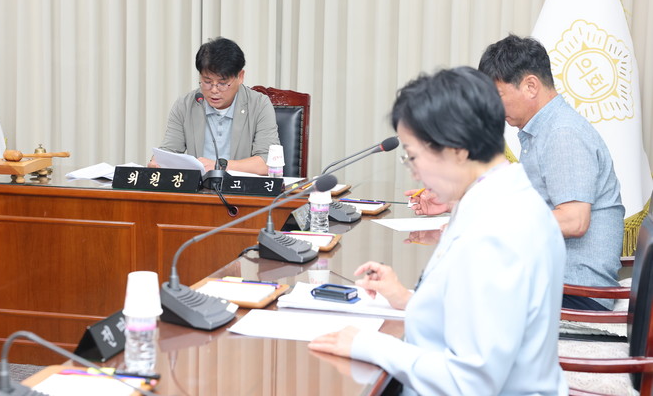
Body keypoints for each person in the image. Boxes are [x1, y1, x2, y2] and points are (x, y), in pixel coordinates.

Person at [309, 67, 567, 395]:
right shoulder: (501, 197)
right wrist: (408, 300)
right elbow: (478, 315)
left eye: (413, 156)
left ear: (457, 149)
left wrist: (370, 345)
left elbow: (471, 382)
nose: (414, 174)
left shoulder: (496, 232)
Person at [478, 34, 623, 310]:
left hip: (574, 291)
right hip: (553, 282)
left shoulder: (562, 133)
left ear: (531, 86)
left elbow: (573, 220)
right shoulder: (543, 130)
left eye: (497, 96)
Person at [148, 37, 279, 175]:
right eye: (207, 82)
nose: (214, 90)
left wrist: (220, 166)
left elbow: (267, 163)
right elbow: (170, 150)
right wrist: (157, 162)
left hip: (240, 186)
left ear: (240, 76)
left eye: (222, 83)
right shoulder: (185, 105)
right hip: (199, 187)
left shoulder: (259, 105)